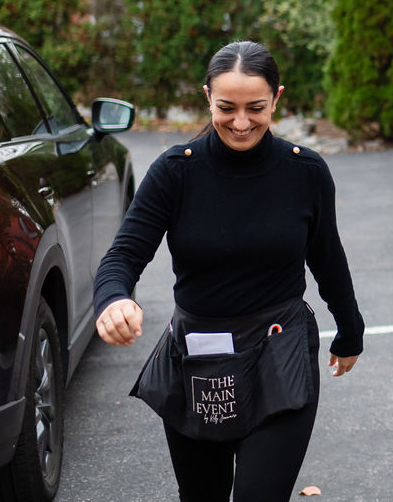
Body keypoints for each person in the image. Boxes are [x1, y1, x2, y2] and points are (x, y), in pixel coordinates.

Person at [94, 41, 364, 502]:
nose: (241, 122)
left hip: (280, 351)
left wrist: (350, 330)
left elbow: (327, 257)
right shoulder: (175, 172)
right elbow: (122, 256)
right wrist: (113, 298)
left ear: (277, 98)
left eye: (256, 108)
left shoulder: (306, 172)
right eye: (226, 108)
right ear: (207, 98)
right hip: (197, 358)